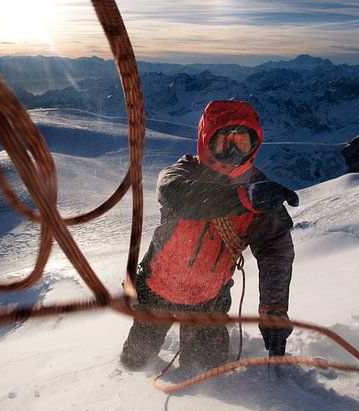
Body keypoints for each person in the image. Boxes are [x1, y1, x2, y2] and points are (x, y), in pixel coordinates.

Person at [120, 99, 299, 371]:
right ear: (206, 141)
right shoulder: (182, 173)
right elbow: (178, 196)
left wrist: (273, 311)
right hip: (157, 289)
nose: (232, 151)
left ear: (255, 144)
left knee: (207, 373)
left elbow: (275, 251)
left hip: (208, 300)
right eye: (223, 142)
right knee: (134, 363)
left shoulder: (259, 191)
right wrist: (244, 197)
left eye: (241, 142)